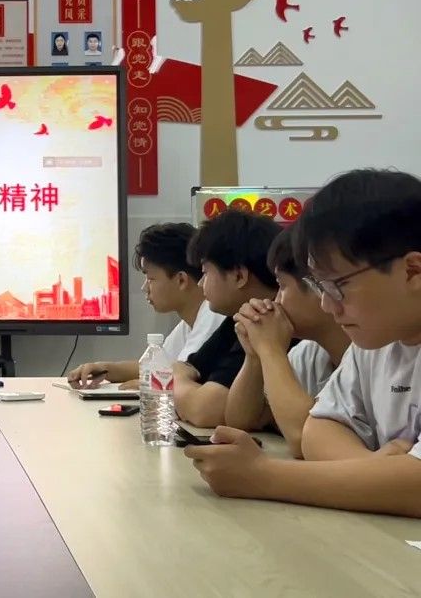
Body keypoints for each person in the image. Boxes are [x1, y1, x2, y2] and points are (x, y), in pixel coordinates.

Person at [186, 169, 421, 519]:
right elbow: (317, 432)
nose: (327, 304)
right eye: (321, 286)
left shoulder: (374, 335)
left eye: (337, 285)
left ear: (413, 271)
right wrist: (379, 473)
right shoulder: (375, 343)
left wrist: (262, 476)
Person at [223, 226, 350, 457]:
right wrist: (254, 356)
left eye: (282, 286)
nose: (276, 301)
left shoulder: (369, 353)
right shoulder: (308, 353)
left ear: (320, 287)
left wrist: (270, 349)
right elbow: (241, 419)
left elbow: (304, 440)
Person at [68, 222, 222, 389]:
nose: (144, 287)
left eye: (150, 278)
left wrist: (147, 387)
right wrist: (103, 368)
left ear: (181, 280)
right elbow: (154, 368)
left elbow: (175, 382)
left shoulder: (212, 318)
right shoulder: (190, 322)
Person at [173, 210, 281, 428]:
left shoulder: (269, 321)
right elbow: (187, 368)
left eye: (205, 272)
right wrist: (183, 380)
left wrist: (178, 381)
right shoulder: (238, 319)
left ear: (239, 276)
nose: (201, 283)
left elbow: (206, 410)